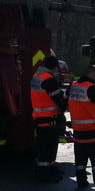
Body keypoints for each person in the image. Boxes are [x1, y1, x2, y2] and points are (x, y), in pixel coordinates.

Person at [68, 65, 95, 189]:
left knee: (80, 161)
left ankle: (81, 181)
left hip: (78, 131)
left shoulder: (73, 86)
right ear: (93, 75)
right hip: (93, 131)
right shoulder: (91, 88)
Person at [31, 54, 67, 182]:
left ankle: (49, 168)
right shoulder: (49, 80)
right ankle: (45, 173)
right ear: (55, 66)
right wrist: (67, 98)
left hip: (40, 118)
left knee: (43, 147)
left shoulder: (37, 77)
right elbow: (59, 100)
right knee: (48, 148)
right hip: (48, 119)